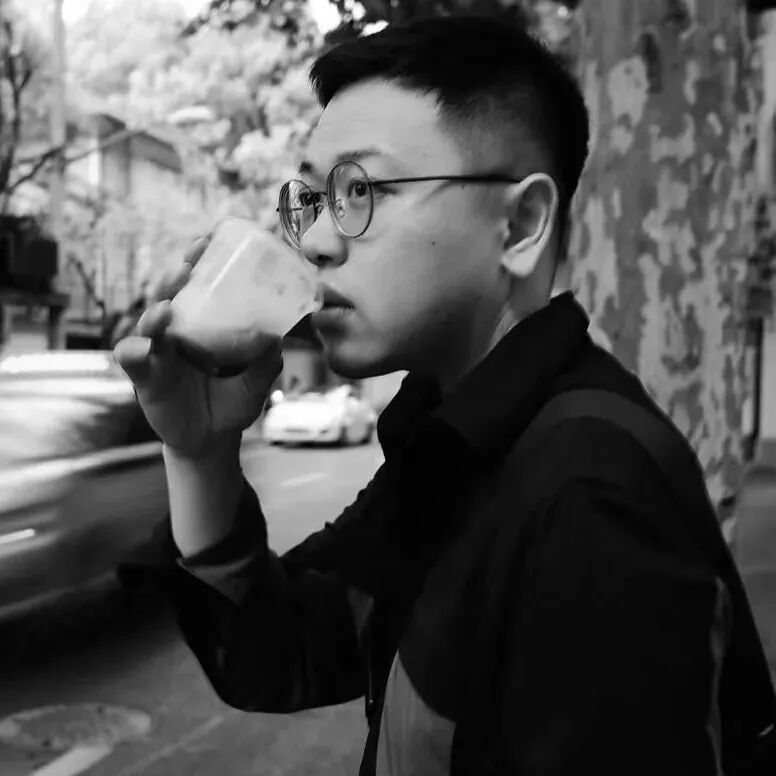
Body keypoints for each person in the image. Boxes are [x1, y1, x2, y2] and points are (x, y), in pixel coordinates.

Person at [113, 14, 775, 776]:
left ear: (520, 225)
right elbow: (285, 655)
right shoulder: (452, 446)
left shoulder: (590, 501)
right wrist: (200, 452)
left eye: (361, 189)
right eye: (314, 199)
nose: (317, 240)